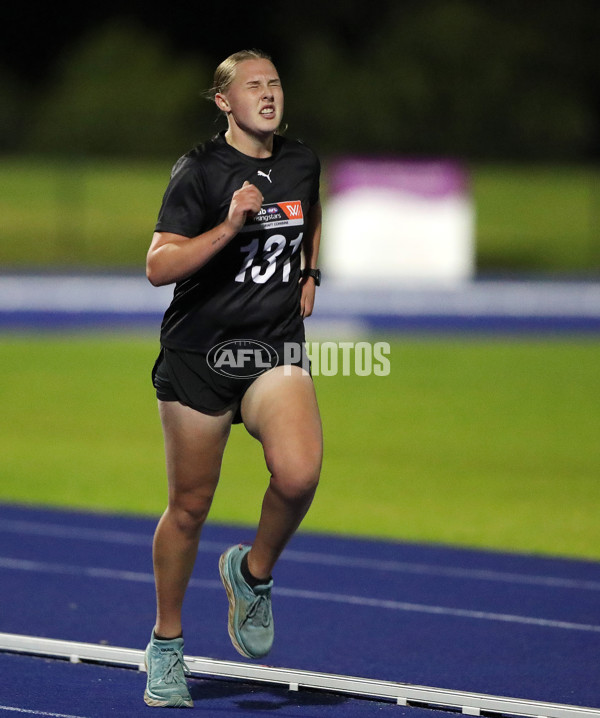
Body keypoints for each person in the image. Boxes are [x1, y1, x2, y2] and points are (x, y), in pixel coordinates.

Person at [143, 49, 323, 708]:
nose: (269, 94)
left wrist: (309, 275)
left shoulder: (302, 160)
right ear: (224, 102)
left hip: (273, 348)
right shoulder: (199, 171)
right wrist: (230, 224)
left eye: (275, 82)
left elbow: (312, 215)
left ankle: (253, 575)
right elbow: (159, 267)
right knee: (190, 508)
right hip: (199, 355)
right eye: (254, 86)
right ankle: (167, 644)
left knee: (299, 472)